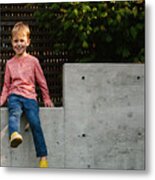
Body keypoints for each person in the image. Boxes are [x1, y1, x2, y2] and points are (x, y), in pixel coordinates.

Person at [0, 22, 54, 168]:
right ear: (12, 43)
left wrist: (47, 98)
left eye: (22, 40)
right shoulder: (10, 63)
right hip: (15, 96)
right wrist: (1, 100)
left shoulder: (33, 62)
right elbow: (6, 86)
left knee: (35, 123)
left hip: (30, 98)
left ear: (28, 42)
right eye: (16, 41)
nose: (19, 44)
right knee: (14, 114)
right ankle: (15, 134)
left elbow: (41, 81)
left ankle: (43, 157)